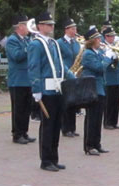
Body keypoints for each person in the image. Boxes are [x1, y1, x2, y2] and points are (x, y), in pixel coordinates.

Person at [28, 11, 75, 172]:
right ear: (40, 26)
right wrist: (36, 89)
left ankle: (54, 158)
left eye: (52, 24)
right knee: (47, 125)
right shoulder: (35, 44)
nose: (51, 26)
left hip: (58, 88)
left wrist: (71, 76)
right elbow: (34, 67)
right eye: (48, 24)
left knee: (56, 125)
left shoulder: (53, 43)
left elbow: (59, 64)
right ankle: (46, 160)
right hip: (46, 90)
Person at [80, 27, 114, 155]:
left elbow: (104, 65)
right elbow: (99, 67)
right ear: (92, 40)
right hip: (92, 88)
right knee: (92, 118)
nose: (100, 40)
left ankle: (97, 143)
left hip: (100, 88)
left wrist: (112, 58)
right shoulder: (88, 54)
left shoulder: (98, 52)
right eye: (98, 38)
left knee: (98, 118)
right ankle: (89, 145)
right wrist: (107, 58)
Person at [6, 14, 36, 145]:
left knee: (27, 108)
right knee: (18, 108)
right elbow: (17, 56)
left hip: (28, 79)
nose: (28, 28)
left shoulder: (27, 40)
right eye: (26, 25)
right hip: (17, 80)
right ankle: (17, 134)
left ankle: (24, 132)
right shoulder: (12, 40)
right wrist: (30, 47)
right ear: (19, 26)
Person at [57, 18, 81, 138]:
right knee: (66, 103)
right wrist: (68, 72)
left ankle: (72, 127)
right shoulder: (59, 43)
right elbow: (59, 60)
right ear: (66, 29)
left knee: (73, 102)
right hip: (65, 75)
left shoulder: (76, 43)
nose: (75, 30)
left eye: (75, 28)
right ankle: (65, 128)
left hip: (75, 75)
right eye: (72, 28)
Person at [102, 26, 119, 130]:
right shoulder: (103, 46)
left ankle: (114, 121)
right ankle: (107, 122)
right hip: (109, 77)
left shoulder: (115, 45)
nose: (113, 38)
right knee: (108, 102)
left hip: (117, 76)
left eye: (113, 36)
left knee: (116, 101)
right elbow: (103, 60)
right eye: (110, 36)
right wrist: (110, 56)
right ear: (106, 36)